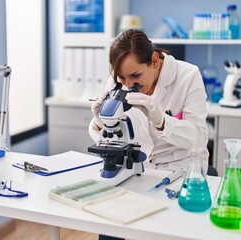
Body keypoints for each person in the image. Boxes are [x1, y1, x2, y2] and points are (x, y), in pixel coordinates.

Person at [89, 29, 209, 240]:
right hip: (135, 173)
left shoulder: (188, 76)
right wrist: (100, 122)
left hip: (176, 174)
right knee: (110, 228)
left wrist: (161, 121)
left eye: (135, 76)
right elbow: (111, 136)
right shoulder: (122, 80)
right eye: (121, 78)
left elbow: (198, 138)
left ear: (154, 60)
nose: (128, 84)